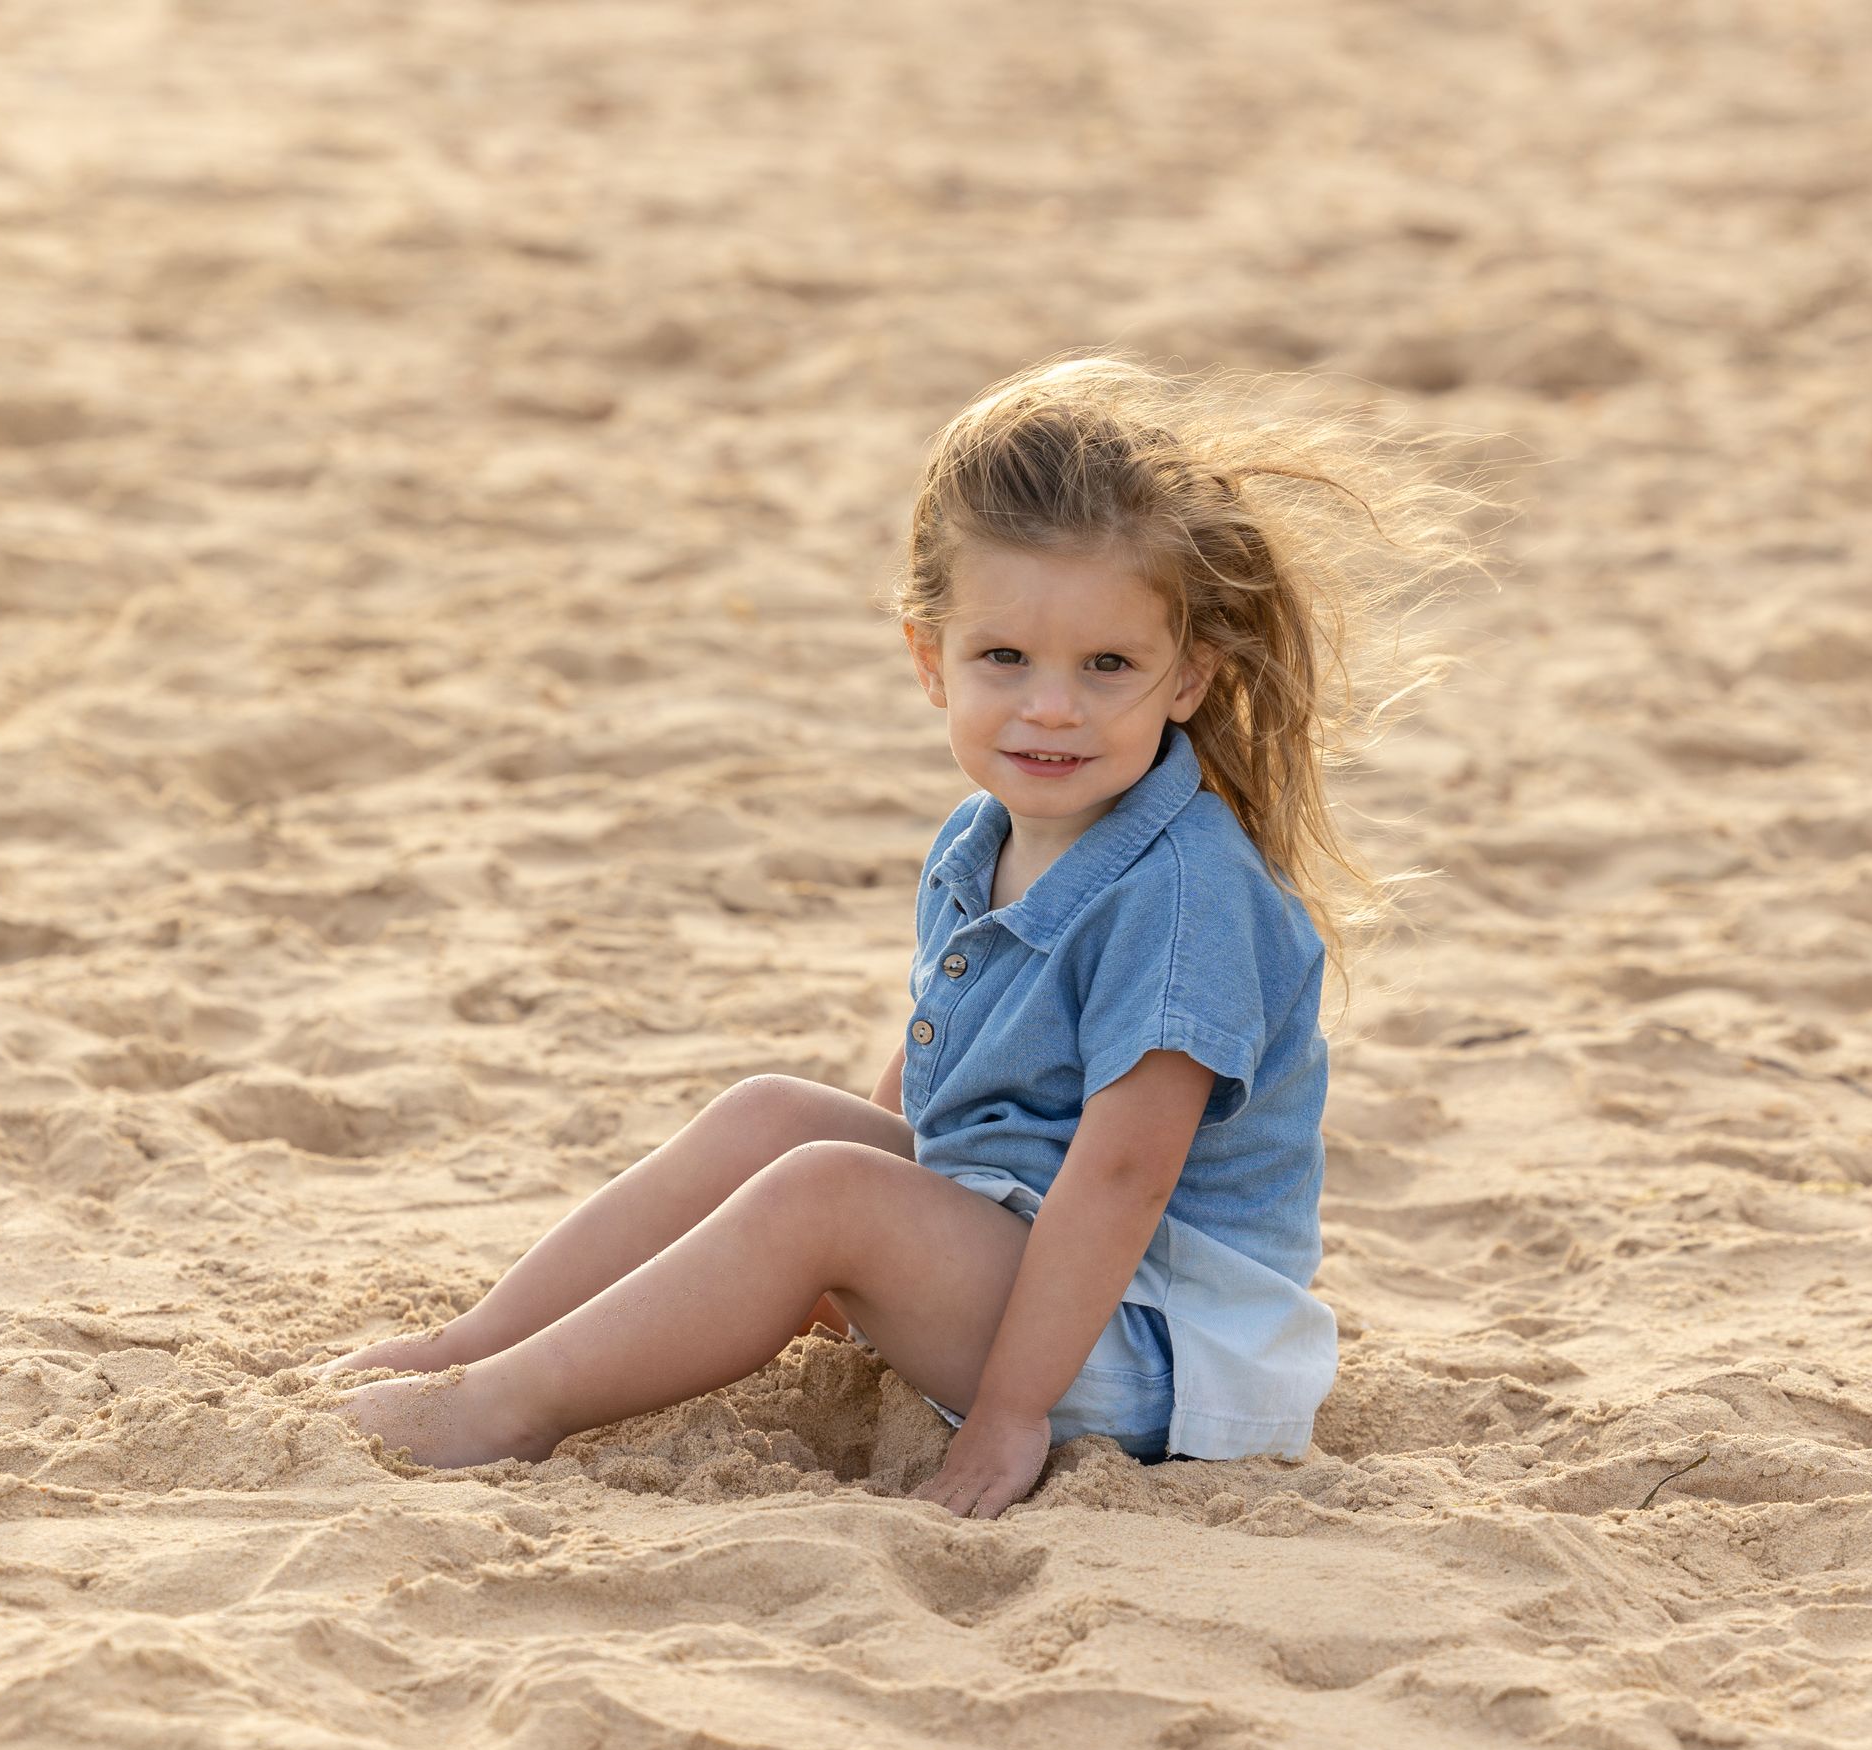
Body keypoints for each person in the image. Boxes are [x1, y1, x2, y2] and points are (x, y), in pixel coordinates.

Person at [321, 352, 1482, 1518]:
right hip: (1031, 1255)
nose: (1051, 706)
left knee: (823, 1189)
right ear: (931, 659)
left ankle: (503, 1408)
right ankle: (470, 1345)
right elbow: (948, 1061)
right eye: (1003, 658)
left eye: (1108, 666)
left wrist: (1010, 1406)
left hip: (1153, 1344)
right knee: (774, 1116)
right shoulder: (987, 833)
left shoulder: (1183, 895)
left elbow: (1126, 1175)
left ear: (1188, 678)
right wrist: (875, 1258)